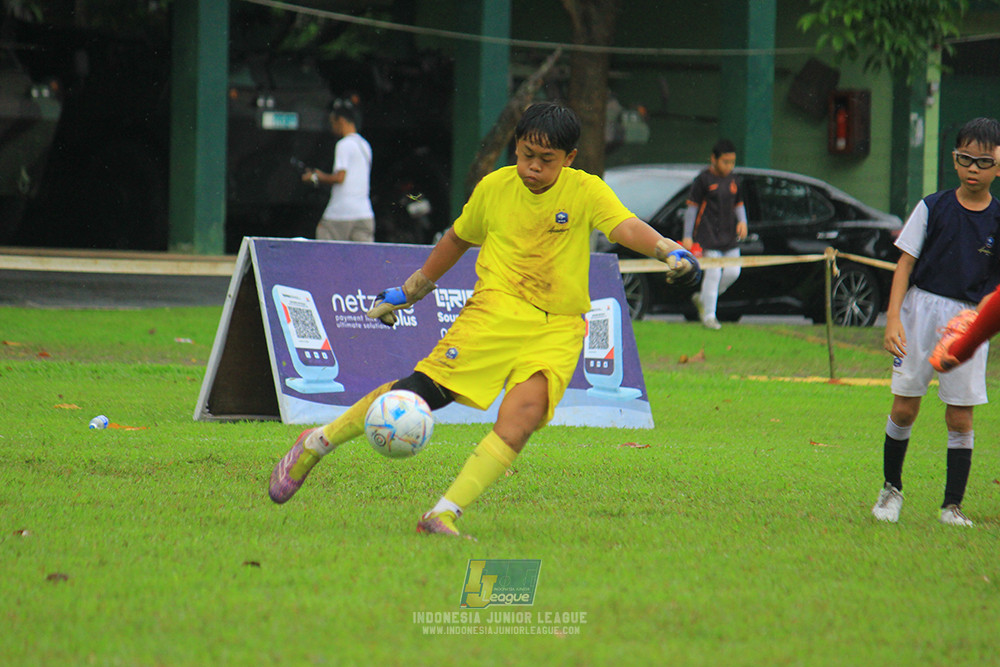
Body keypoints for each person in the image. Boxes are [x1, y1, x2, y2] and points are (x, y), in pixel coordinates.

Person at [268, 102, 700, 538]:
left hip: (560, 327)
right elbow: (457, 238)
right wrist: (410, 290)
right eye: (525, 154)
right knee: (427, 392)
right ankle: (316, 443)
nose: (531, 167)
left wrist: (668, 249)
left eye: (545, 161)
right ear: (516, 146)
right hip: (495, 312)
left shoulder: (586, 191)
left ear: (569, 159)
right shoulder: (494, 188)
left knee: (522, 418)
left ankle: (442, 514)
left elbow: (624, 226)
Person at [872, 116, 1000, 527]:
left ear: (998, 165)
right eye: (966, 159)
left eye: (983, 162)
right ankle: (891, 491)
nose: (973, 169)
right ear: (954, 159)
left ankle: (952, 506)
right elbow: (903, 265)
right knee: (905, 408)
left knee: (960, 415)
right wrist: (893, 319)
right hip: (919, 312)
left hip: (969, 321)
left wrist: (980, 324)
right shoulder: (932, 206)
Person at [681, 139, 748, 330]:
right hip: (708, 236)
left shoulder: (734, 179)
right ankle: (709, 316)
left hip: (729, 237)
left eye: (732, 162)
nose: (729, 166)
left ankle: (703, 298)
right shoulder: (703, 180)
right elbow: (692, 208)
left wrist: (743, 222)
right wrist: (687, 235)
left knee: (734, 272)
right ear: (713, 159)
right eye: (725, 162)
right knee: (713, 274)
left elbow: (739, 203)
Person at [302, 97, 375, 242]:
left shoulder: (344, 144)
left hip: (341, 214)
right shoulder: (365, 145)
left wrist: (316, 177)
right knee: (363, 259)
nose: (331, 128)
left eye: (332, 123)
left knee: (326, 252)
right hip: (365, 214)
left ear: (340, 120)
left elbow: (340, 178)